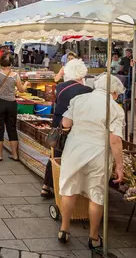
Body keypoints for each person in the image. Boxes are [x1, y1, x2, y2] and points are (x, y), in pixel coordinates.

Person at [58, 74, 124, 254]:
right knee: (96, 195)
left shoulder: (79, 99)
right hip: (98, 154)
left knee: (69, 189)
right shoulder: (115, 108)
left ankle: (64, 229)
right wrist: (120, 166)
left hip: (74, 150)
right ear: (114, 93)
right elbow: (115, 140)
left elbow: (66, 122)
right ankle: (94, 238)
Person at [41, 59, 93, 198]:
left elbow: (58, 104)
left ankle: (46, 186)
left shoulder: (60, 87)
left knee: (55, 155)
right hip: (75, 127)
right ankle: (69, 187)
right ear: (82, 73)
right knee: (73, 156)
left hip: (57, 126)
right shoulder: (87, 90)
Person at [0, 53, 29, 161]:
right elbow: (21, 90)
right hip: (11, 104)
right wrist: (26, 84)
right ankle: (15, 154)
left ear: (1, 61)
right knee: (12, 128)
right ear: (11, 62)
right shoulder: (15, 75)